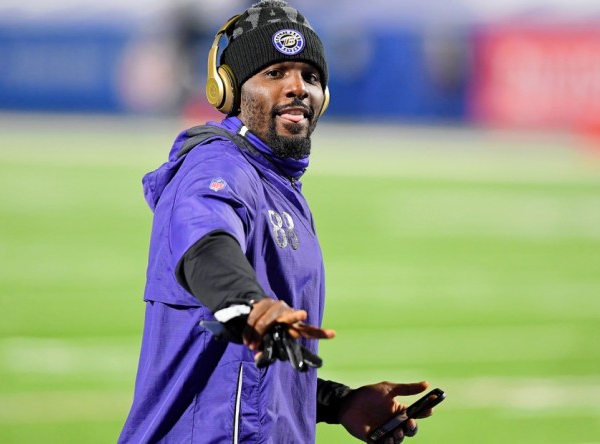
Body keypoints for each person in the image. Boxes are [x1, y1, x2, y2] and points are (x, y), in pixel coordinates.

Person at [119, 1, 434, 442]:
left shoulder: (281, 187)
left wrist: (337, 402)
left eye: (310, 76)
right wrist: (244, 302)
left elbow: (247, 367)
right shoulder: (214, 165)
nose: (297, 88)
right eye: (275, 73)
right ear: (228, 89)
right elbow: (205, 244)